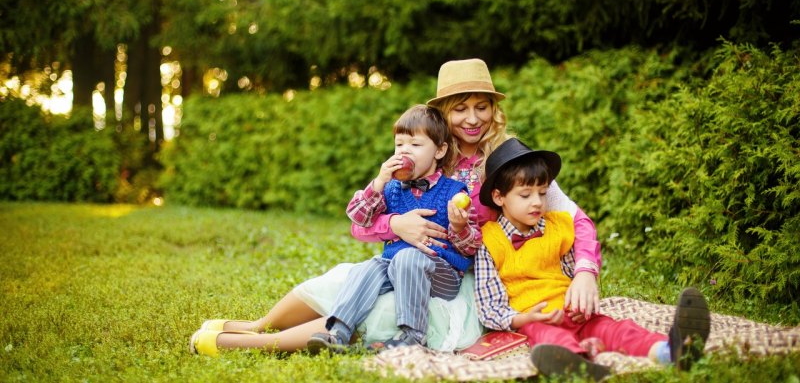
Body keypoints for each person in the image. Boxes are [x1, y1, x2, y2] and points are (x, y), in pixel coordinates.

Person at [189, 58, 602, 356]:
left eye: (482, 106)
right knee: (346, 281)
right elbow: (363, 223)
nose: (472, 118)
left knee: (381, 308)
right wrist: (397, 223)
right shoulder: (420, 154)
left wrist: (585, 272)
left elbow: (573, 219)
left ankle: (254, 343)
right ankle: (256, 325)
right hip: (403, 256)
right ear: (441, 113)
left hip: (464, 278)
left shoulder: (510, 160)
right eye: (459, 108)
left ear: (495, 110)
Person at [473, 137, 711, 380]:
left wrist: (581, 305)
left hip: (575, 313)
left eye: (543, 193)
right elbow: (491, 307)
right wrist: (526, 317)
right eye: (526, 195)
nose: (537, 202)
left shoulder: (558, 227)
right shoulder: (489, 241)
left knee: (618, 329)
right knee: (551, 340)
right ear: (499, 197)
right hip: (537, 319)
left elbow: (571, 274)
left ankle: (672, 351)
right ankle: (579, 365)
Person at [304, 104, 481, 354]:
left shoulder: (454, 192)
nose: (404, 151)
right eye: (399, 145)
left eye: (415, 145)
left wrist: (460, 226)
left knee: (408, 257)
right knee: (367, 266)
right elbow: (358, 218)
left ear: (439, 151)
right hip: (395, 266)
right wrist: (378, 182)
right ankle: (338, 333)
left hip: (442, 273)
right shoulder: (390, 188)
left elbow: (471, 246)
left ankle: (412, 335)